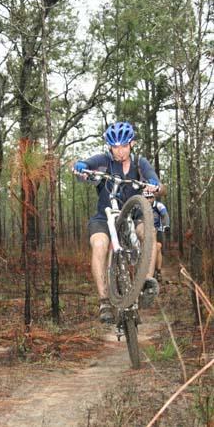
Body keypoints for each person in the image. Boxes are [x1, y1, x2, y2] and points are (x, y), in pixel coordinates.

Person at [73, 121, 165, 323]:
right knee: (99, 244)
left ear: (131, 143)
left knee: (148, 231)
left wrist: (154, 185)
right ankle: (104, 301)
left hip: (134, 214)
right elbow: (85, 166)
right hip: (104, 218)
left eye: (123, 145)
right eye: (115, 146)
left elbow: (157, 183)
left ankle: (146, 282)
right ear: (110, 146)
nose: (119, 151)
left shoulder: (140, 163)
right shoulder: (104, 161)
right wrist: (80, 168)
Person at [143, 191, 170, 282]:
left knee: (157, 247)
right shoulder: (140, 206)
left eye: (150, 197)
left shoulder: (159, 205)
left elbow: (165, 215)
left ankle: (158, 271)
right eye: (146, 198)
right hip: (145, 231)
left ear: (153, 198)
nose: (148, 199)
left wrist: (166, 225)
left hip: (158, 230)